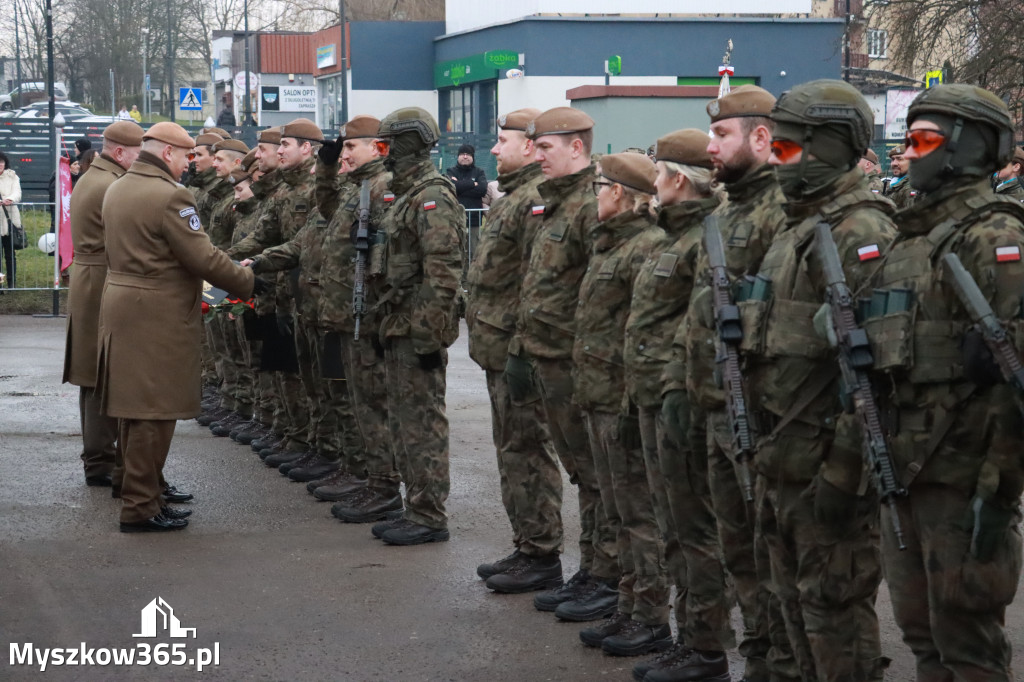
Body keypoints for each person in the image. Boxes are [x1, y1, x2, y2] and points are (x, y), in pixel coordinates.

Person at [867, 83, 1024, 681]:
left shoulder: (995, 237)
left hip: (963, 477)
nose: (905, 154)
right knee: (919, 631)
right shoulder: (911, 238)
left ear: (967, 148)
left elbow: (1014, 388)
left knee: (968, 640)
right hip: (903, 465)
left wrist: (997, 489)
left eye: (922, 140)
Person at [746, 79, 894, 681]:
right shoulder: (797, 228)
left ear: (829, 146)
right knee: (790, 608)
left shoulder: (863, 231)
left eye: (786, 149)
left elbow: (879, 374)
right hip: (783, 455)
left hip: (827, 466)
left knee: (833, 612)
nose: (776, 161)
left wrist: (844, 475)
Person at [671, 84, 788, 682]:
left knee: (770, 551)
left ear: (762, 139)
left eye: (721, 134)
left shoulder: (781, 211)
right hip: (714, 404)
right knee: (738, 548)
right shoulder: (729, 209)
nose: (710, 146)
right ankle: (759, 656)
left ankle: (776, 659)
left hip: (758, 414)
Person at [96, 121, 262, 533]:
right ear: (168, 152)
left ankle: (140, 492)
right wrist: (248, 280)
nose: (190, 164)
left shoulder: (118, 186)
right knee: (155, 411)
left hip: (124, 305)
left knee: (133, 410)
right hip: (157, 314)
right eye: (186, 156)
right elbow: (202, 258)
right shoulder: (170, 196)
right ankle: (140, 506)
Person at [625, 130, 733, 682]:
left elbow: (697, 331)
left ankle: (707, 647)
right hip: (653, 396)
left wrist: (676, 393)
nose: (655, 179)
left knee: (695, 529)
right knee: (672, 523)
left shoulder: (706, 239)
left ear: (679, 180)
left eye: (660, 170)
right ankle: (689, 636)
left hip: (682, 401)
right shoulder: (670, 235)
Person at [512, 107, 620, 622]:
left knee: (600, 475)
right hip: (550, 358)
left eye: (545, 147)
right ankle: (592, 568)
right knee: (583, 473)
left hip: (578, 362)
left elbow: (596, 293)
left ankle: (607, 575)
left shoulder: (587, 204)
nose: (536, 156)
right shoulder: (555, 203)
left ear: (576, 147)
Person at [572, 152, 670, 657]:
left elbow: (644, 334)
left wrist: (633, 402)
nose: (594, 196)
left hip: (623, 400)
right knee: (616, 509)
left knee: (639, 514)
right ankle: (628, 604)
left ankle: (651, 616)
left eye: (600, 187)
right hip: (599, 395)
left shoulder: (646, 247)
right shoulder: (611, 245)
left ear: (620, 193)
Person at [466, 108, 564, 592]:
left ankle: (542, 552)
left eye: (503, 140)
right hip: (498, 346)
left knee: (526, 448)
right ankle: (527, 543)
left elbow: (534, 282)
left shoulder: (533, 201)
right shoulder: (514, 197)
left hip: (515, 347)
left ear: (529, 145)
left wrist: (523, 348)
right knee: (511, 450)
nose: (494, 149)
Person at [365, 106, 465, 546]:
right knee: (405, 423)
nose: (383, 155)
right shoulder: (405, 194)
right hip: (397, 323)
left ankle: (428, 514)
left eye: (388, 146)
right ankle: (415, 507)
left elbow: (443, 272)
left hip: (415, 329)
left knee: (422, 424)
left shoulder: (432, 196)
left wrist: (427, 335)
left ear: (406, 144)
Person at [307, 115, 403, 520]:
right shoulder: (356, 185)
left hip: (364, 313)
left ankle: (382, 484)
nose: (343, 152)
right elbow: (328, 210)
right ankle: (367, 476)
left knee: (372, 404)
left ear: (375, 146)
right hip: (345, 313)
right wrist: (327, 168)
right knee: (357, 401)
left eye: (349, 146)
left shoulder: (382, 186)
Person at [62, 120, 143, 489]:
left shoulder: (95, 177)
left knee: (94, 374)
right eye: (139, 154)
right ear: (120, 151)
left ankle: (99, 461)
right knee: (105, 374)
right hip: (102, 281)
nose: (141, 162)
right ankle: (105, 463)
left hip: (91, 279)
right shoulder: (111, 184)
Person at [447, 143, 488, 230]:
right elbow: (451, 188)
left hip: (474, 220)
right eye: (462, 154)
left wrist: (459, 186)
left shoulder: (479, 172)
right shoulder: (451, 171)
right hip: (454, 220)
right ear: (458, 156)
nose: (465, 157)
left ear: (473, 157)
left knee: (473, 243)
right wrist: (472, 184)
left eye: (468, 154)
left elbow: (482, 190)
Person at [0, 150, 22, 288]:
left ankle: (11, 282)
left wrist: (10, 199)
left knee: (10, 254)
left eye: (1, 162)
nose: (0, 164)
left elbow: (17, 192)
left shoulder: (13, 176)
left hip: (9, 219)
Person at [884, 143, 915, 208]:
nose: (894, 163)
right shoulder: (894, 183)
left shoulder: (913, 185)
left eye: (899, 159)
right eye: (892, 159)